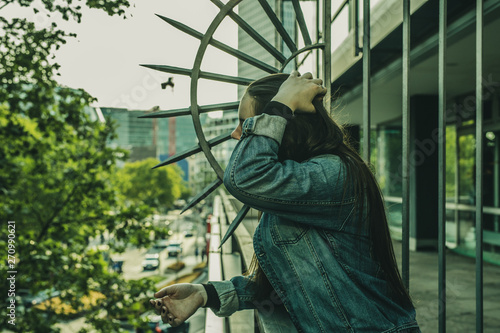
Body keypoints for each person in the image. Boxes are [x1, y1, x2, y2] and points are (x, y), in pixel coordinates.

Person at [149, 71, 420, 332]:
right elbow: (290, 286)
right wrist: (204, 293)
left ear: (282, 125)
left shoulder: (334, 174)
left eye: (246, 123)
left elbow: (244, 178)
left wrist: (280, 104)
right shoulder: (295, 186)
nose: (236, 133)